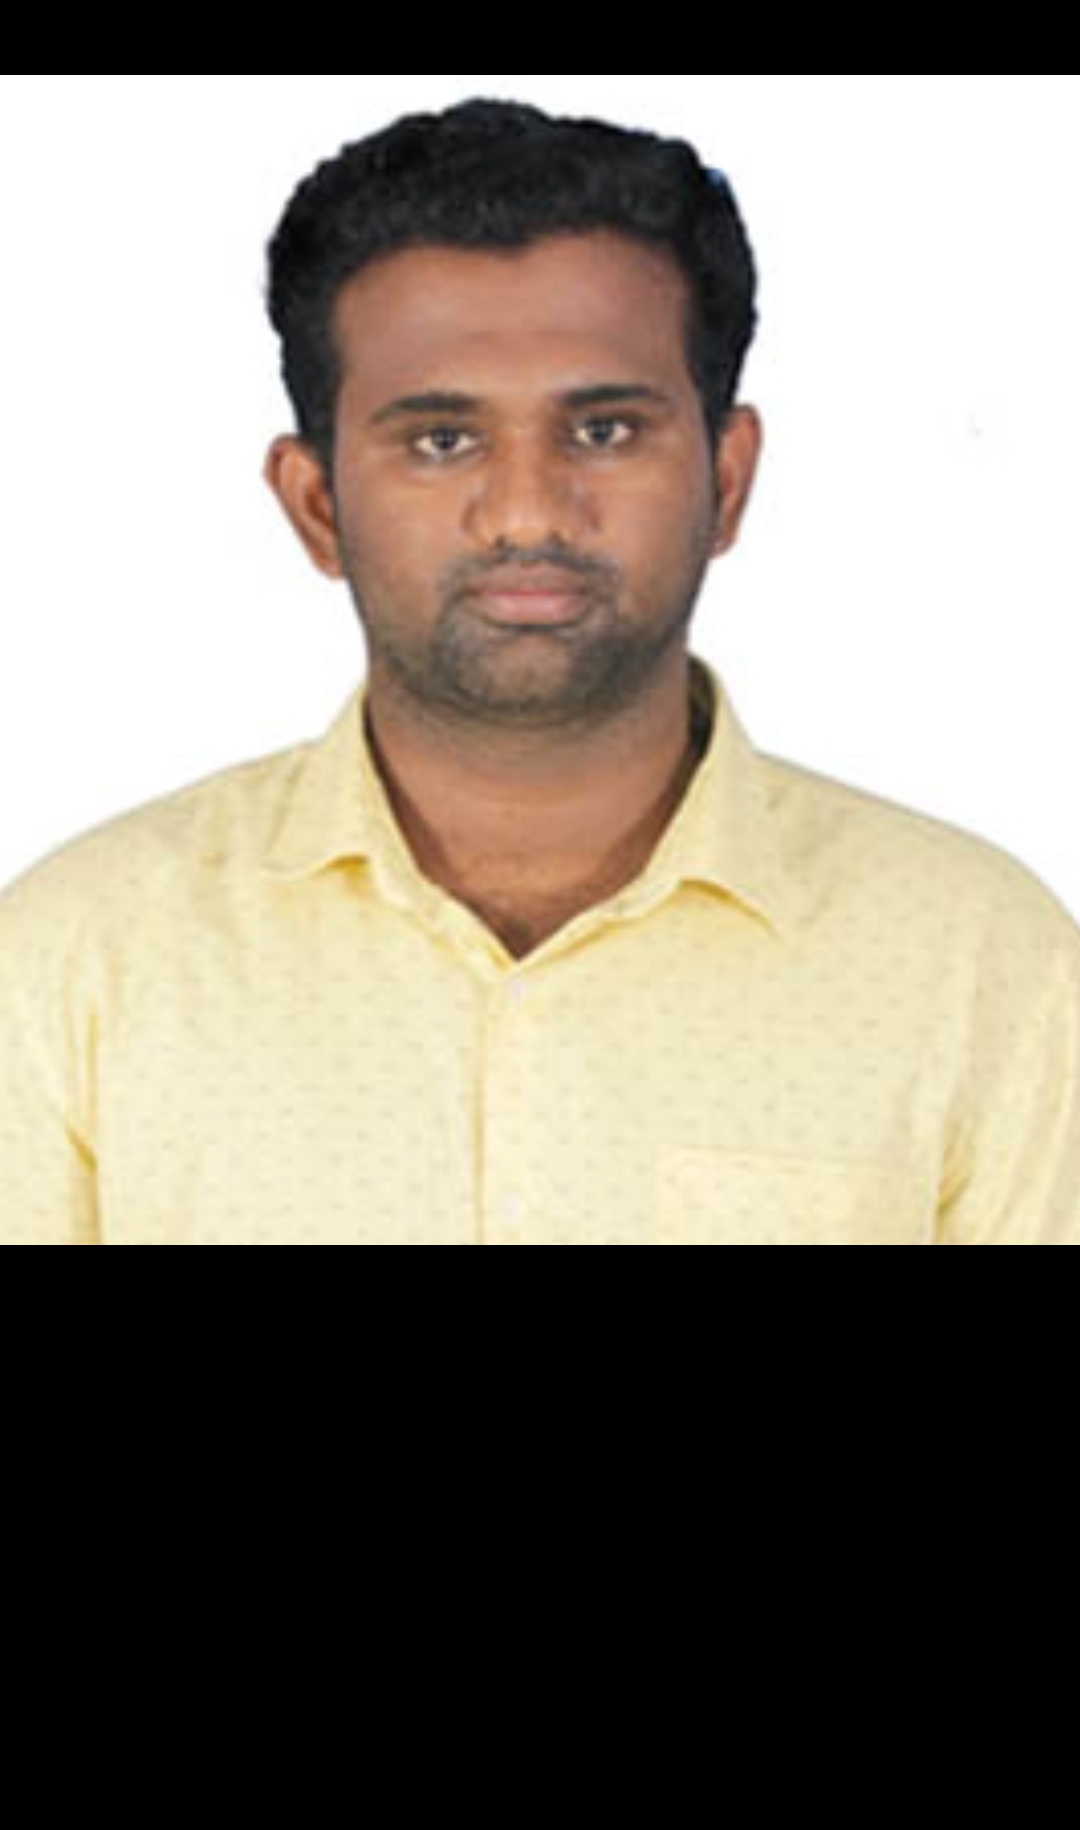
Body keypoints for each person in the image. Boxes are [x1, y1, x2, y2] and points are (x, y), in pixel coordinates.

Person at [1, 98, 1077, 1246]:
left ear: (727, 479)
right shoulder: (78, 961)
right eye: (441, 440)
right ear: (316, 505)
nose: (527, 513)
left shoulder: (978, 964)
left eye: (604, 431)